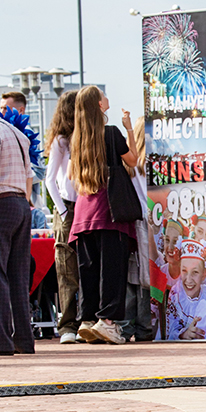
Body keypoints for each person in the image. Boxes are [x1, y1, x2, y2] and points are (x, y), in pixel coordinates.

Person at [67, 86, 138, 345]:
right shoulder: (110, 133)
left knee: (88, 270)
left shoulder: (79, 138)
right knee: (112, 269)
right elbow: (132, 160)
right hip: (110, 210)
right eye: (103, 95)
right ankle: (107, 322)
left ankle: (87, 320)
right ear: (99, 105)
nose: (108, 98)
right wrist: (129, 128)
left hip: (83, 213)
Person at [44, 90, 80, 344]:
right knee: (66, 268)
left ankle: (84, 321)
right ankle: (67, 324)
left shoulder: (85, 139)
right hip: (67, 207)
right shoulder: (61, 141)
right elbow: (49, 179)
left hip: (86, 205)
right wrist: (63, 209)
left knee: (86, 267)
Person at [0, 116, 35, 355]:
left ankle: (2, 341)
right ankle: (24, 339)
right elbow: (30, 174)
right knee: (19, 277)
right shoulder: (15, 132)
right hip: (21, 203)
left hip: (3, 202)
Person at [117, 116, 153, 343]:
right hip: (148, 221)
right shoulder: (148, 163)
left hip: (134, 222)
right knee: (146, 277)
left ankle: (128, 325)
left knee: (135, 275)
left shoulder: (130, 164)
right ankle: (145, 326)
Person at [163, 239, 206, 340]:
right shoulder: (175, 294)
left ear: (203, 273)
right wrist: (184, 334)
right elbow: (170, 330)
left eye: (195, 272)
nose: (188, 279)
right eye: (184, 271)